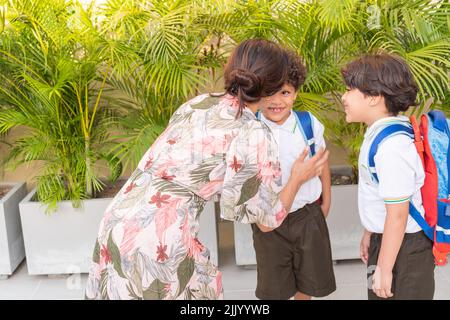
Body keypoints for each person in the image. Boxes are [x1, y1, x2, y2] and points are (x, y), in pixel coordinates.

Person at [84, 39, 329, 300]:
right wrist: (298, 177)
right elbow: (267, 222)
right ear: (271, 86)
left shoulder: (198, 103)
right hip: (159, 236)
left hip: (118, 219)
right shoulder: (253, 132)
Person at [341, 53, 435, 300]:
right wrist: (371, 231)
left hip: (405, 249)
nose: (344, 97)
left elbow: (398, 214)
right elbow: (382, 198)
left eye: (350, 90)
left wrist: (383, 269)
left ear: (374, 97)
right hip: (390, 240)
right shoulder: (382, 133)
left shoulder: (392, 147)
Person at [251, 52, 336, 300]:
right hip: (268, 220)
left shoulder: (308, 123)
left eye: (285, 93)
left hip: (306, 215)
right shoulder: (251, 128)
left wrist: (325, 203)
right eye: (268, 92)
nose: (276, 101)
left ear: (296, 93)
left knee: (308, 281)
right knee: (274, 286)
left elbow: (322, 163)